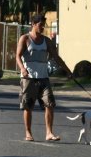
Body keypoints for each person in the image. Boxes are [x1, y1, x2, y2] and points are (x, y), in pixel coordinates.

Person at [15, 13, 72, 142]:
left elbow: (56, 57)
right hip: (28, 79)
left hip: (44, 78)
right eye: (40, 25)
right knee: (28, 106)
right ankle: (28, 133)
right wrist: (23, 69)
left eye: (43, 25)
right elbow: (18, 56)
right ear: (33, 24)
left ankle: (49, 133)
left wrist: (68, 71)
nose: (42, 28)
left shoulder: (46, 41)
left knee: (49, 104)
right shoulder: (25, 39)